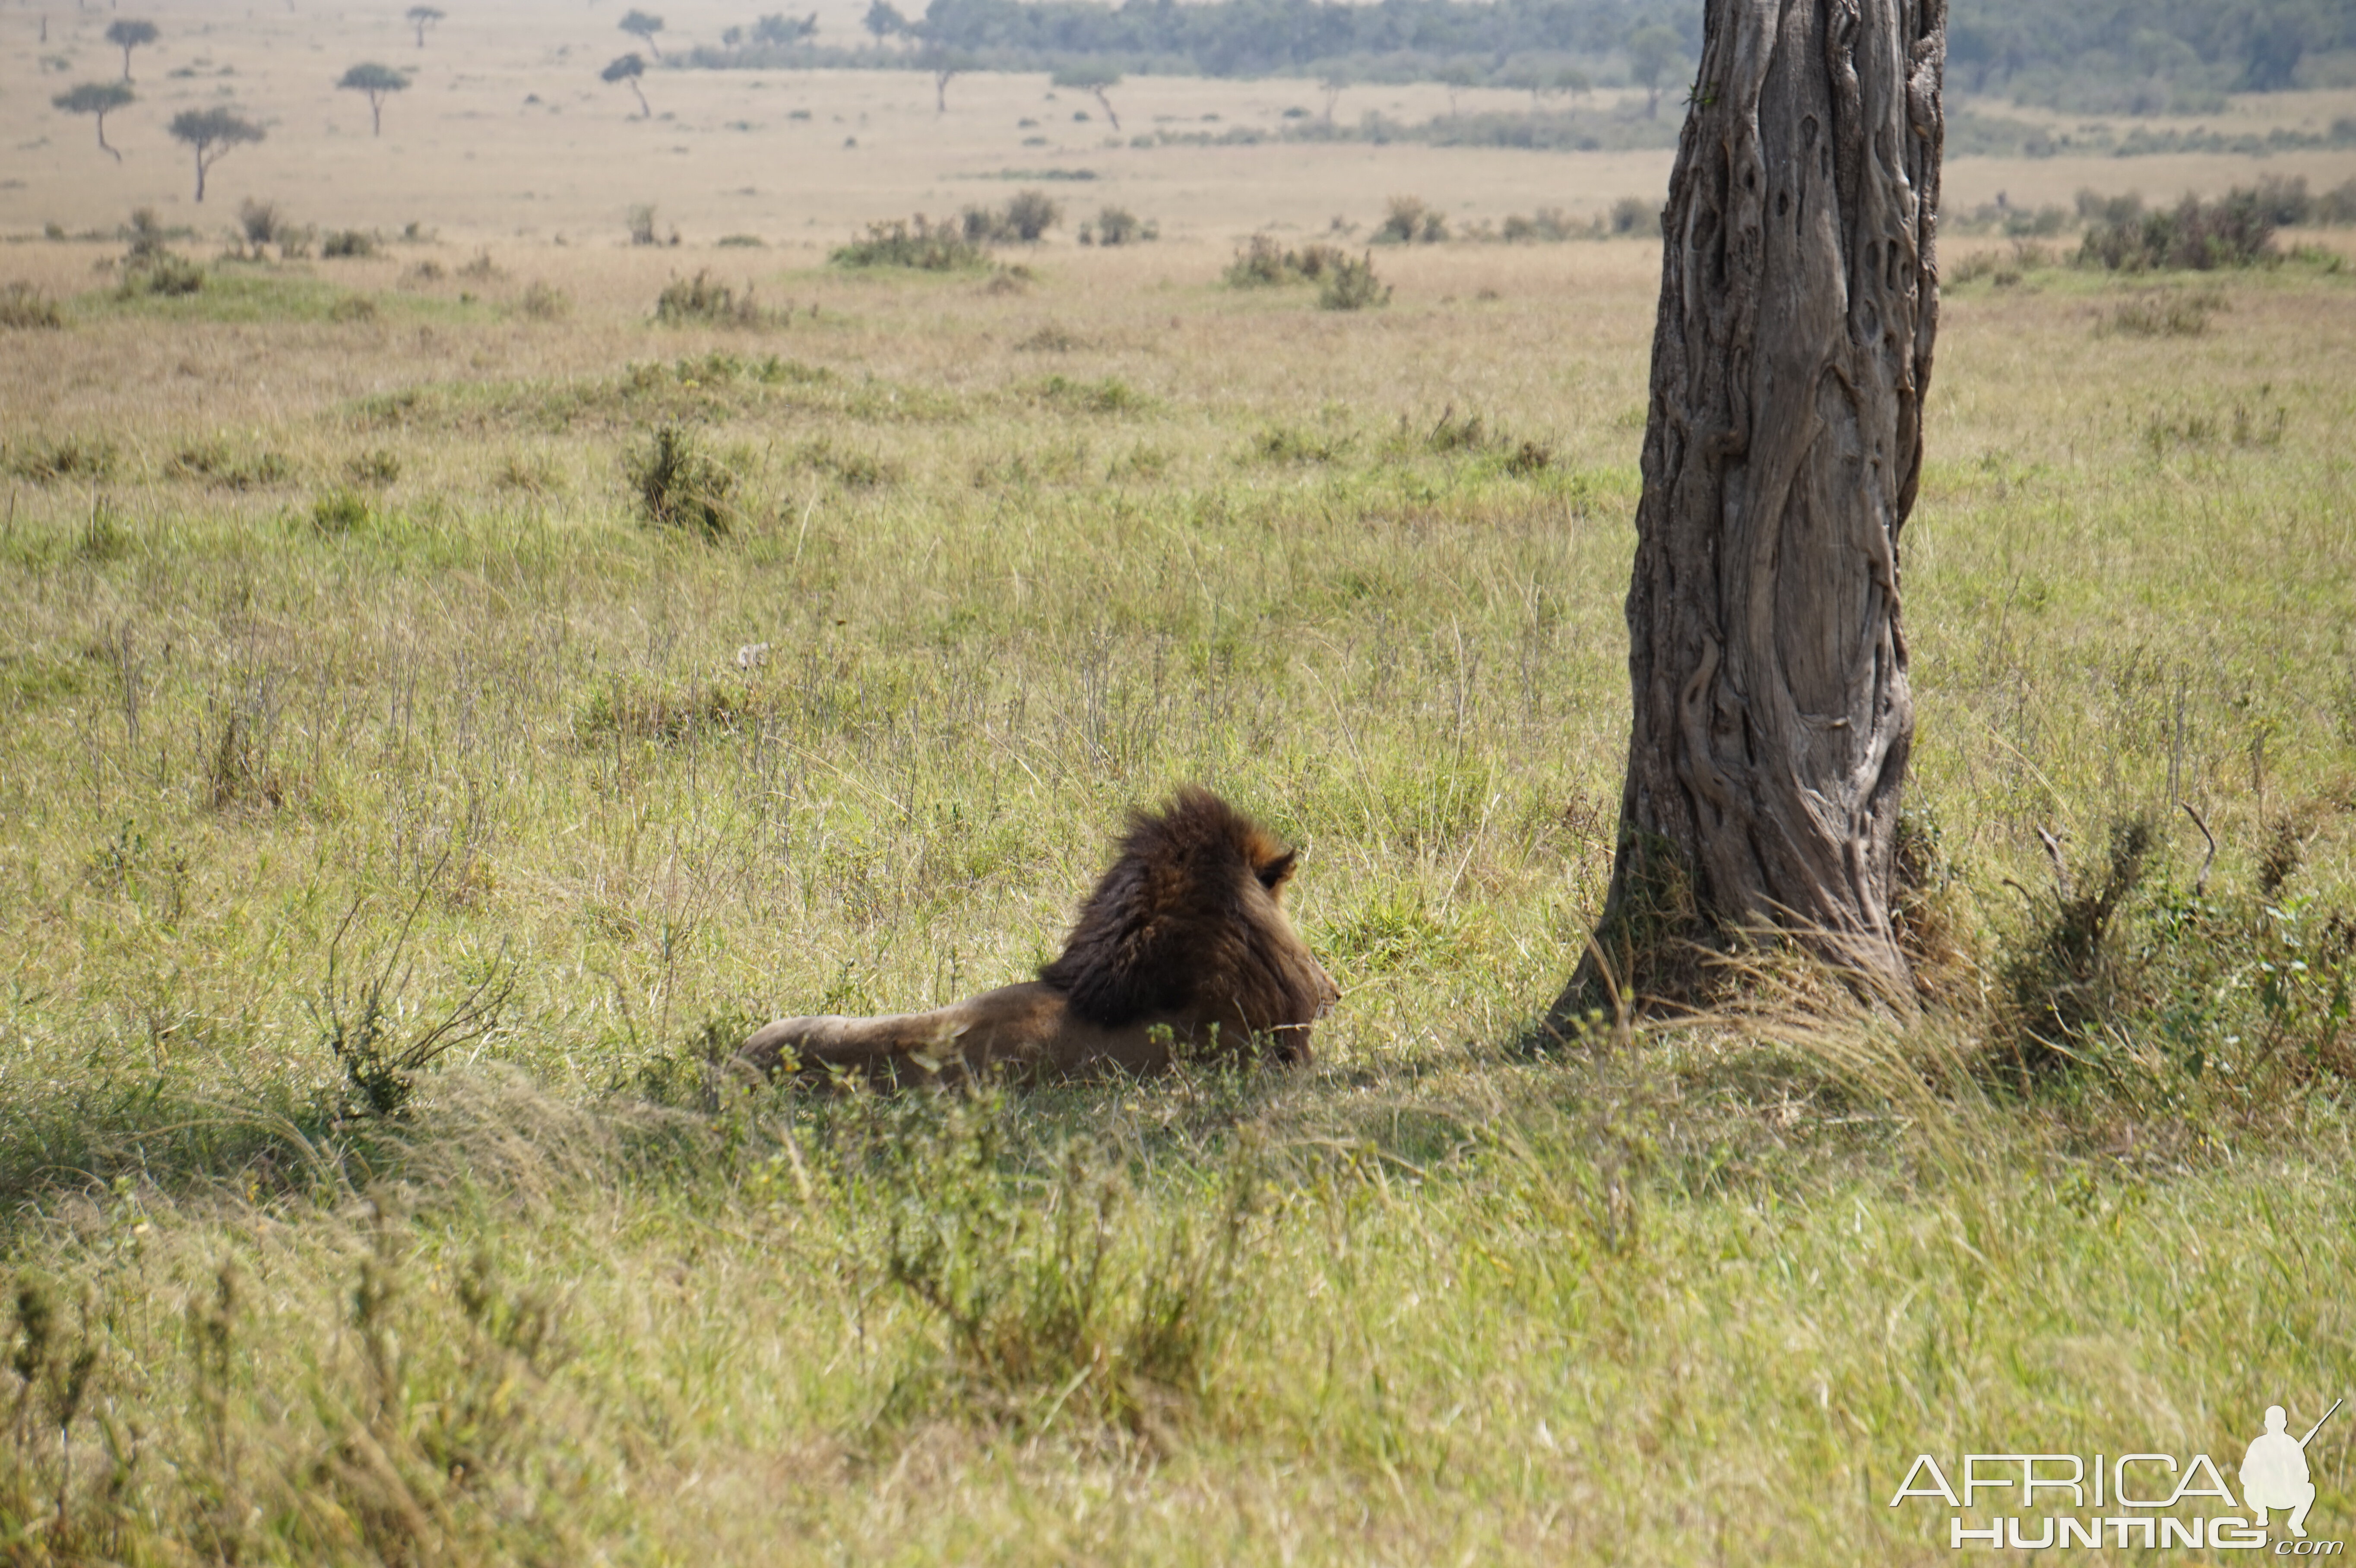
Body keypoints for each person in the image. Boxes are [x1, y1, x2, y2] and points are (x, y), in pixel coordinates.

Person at [2242, 1405, 2316, 1538]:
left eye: (2278, 1422)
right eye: (2273, 1422)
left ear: (2285, 1424)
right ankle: (2262, 1514)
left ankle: (2296, 1523)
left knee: (2310, 1489)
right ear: (2266, 1424)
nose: (2276, 1425)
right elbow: (2245, 1475)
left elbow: (2305, 1476)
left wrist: (2290, 1469)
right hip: (2262, 1497)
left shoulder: (2293, 1445)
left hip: (2287, 1495)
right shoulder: (2258, 1445)